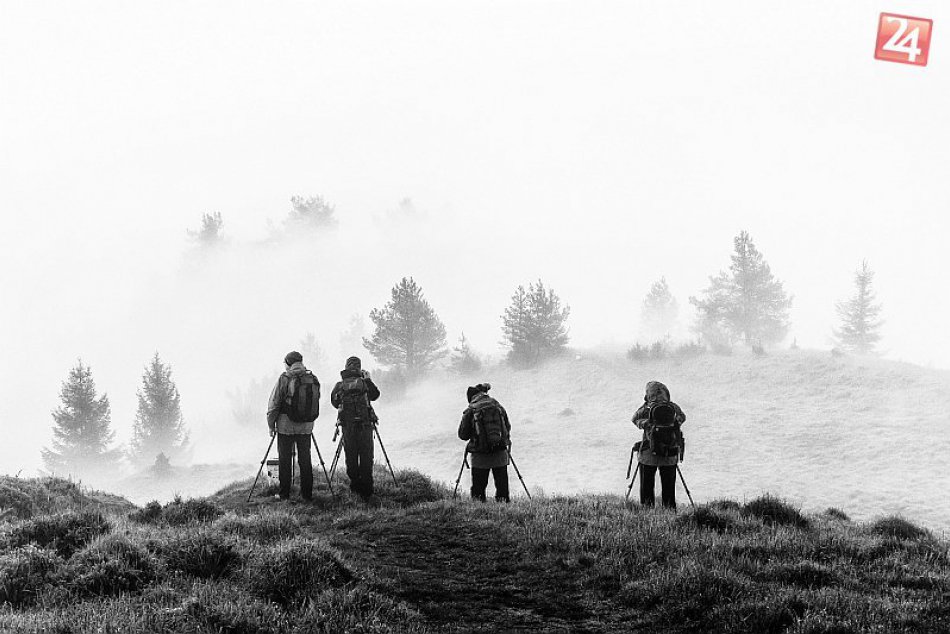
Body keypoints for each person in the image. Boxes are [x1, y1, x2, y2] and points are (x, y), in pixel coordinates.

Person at [266, 351, 321, 501]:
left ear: (288, 363)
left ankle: (284, 494)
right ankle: (307, 495)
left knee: (285, 460)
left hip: (286, 427)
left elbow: (274, 403)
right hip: (306, 427)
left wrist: (271, 424)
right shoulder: (311, 378)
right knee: (305, 460)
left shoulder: (285, 378)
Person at [330, 356, 381, 500]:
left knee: (351, 455)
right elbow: (375, 396)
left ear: (346, 367)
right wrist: (368, 379)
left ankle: (355, 486)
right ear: (359, 368)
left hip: (348, 426)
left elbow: (334, 402)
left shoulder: (340, 385)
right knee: (366, 456)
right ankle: (367, 490)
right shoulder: (364, 383)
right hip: (365, 426)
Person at [632, 380, 686, 509]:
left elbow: (634, 419)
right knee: (669, 487)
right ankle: (669, 511)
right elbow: (682, 417)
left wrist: (646, 423)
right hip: (669, 454)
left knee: (647, 487)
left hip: (648, 453)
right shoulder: (672, 406)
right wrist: (674, 422)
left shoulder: (646, 407)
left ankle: (647, 511)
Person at [458, 383, 511, 502]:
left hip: (480, 456)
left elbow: (463, 435)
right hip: (500, 454)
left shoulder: (471, 409)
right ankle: (504, 511)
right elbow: (507, 427)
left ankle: (480, 513)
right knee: (502, 489)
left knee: (478, 490)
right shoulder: (497, 405)